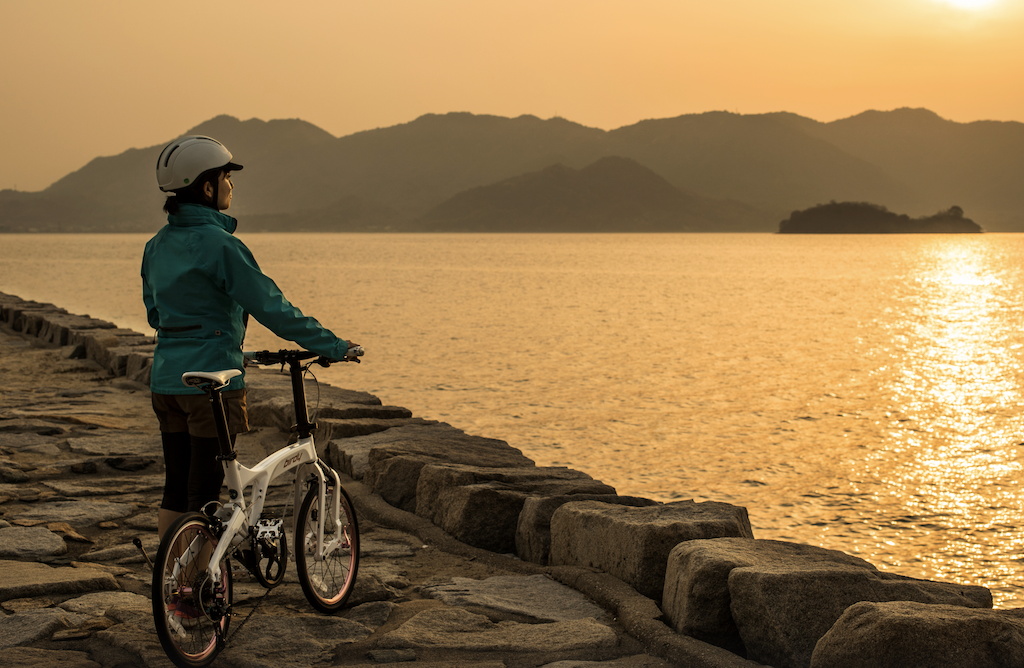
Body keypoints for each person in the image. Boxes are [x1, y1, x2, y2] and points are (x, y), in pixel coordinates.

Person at [142, 135, 355, 539]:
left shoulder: (155, 246)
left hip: (166, 380)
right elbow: (271, 306)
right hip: (211, 384)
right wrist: (333, 345)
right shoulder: (222, 245)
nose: (231, 185)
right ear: (207, 187)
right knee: (203, 493)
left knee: (176, 488)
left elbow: (157, 314)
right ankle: (191, 591)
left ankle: (170, 576)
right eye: (226, 177)